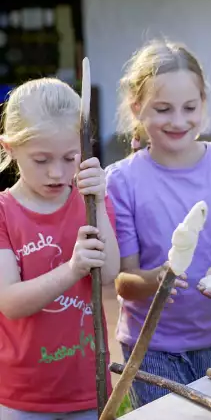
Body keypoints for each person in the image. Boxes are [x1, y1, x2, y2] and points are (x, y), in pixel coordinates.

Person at [107, 40, 211, 407]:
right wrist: (153, 280)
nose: (178, 121)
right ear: (136, 108)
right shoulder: (122, 181)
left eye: (190, 108)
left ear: (204, 104)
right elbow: (124, 280)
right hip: (150, 346)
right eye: (163, 109)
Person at [0, 78, 120, 419]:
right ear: (9, 148)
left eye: (70, 157)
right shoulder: (4, 212)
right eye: (41, 160)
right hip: (21, 395)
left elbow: (110, 273)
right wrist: (72, 269)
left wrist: (98, 200)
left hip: (87, 387)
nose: (57, 172)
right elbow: (9, 302)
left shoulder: (91, 201)